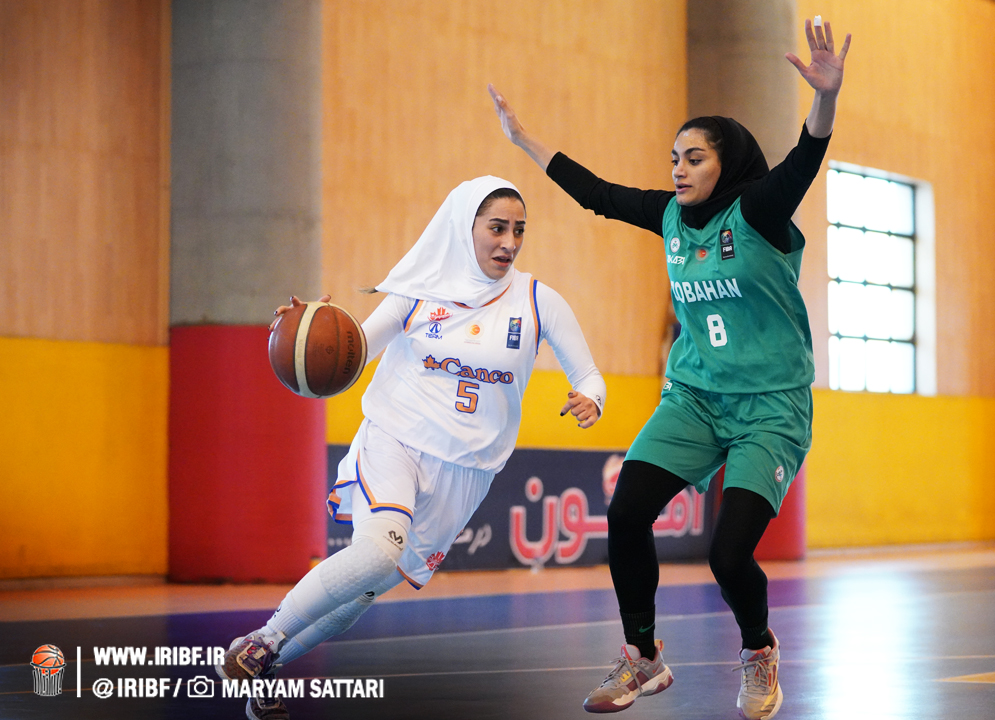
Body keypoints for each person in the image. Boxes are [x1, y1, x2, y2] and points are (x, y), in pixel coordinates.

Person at [490, 17, 850, 720]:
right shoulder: (669, 219)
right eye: (674, 158)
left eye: (693, 157)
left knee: (728, 555)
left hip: (770, 408)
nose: (677, 169)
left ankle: (758, 649)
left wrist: (826, 97)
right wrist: (524, 139)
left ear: (727, 164)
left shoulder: (758, 211)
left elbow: (805, 157)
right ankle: (643, 657)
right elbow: (597, 193)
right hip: (694, 398)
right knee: (626, 512)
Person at [216, 176, 606, 720]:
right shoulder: (417, 291)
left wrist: (592, 399)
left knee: (363, 594)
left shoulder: (539, 301)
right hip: (396, 438)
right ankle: (262, 640)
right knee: (378, 552)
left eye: (519, 230)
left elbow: (589, 375)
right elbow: (353, 352)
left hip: (467, 473)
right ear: (464, 227)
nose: (509, 242)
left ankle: (265, 663)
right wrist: (310, 329)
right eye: (497, 228)